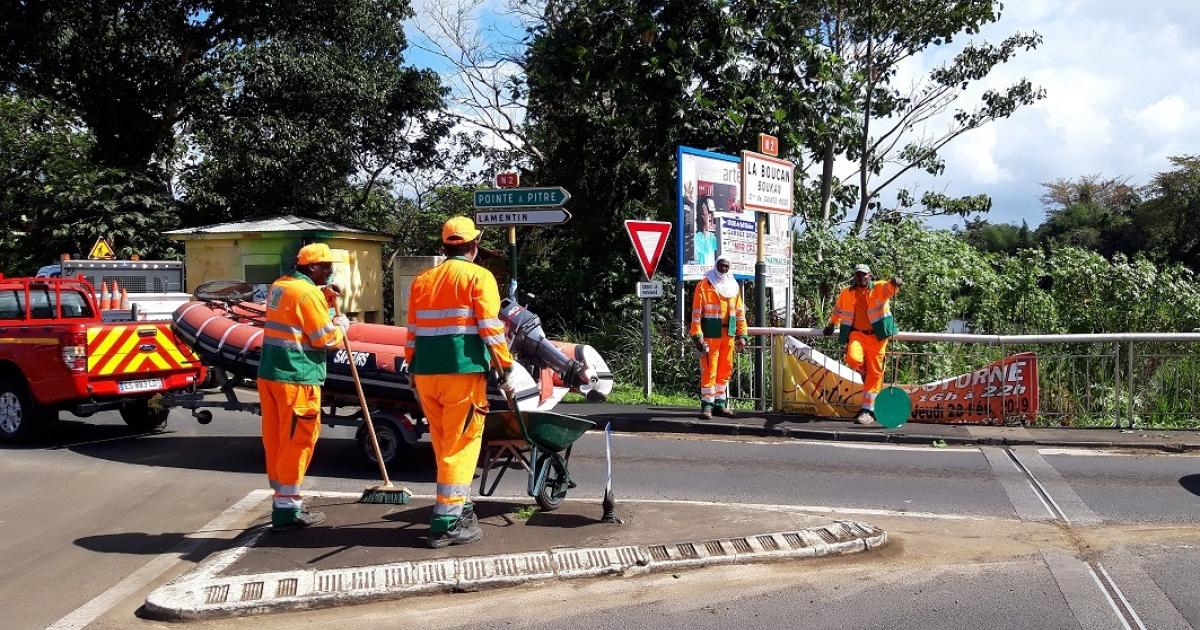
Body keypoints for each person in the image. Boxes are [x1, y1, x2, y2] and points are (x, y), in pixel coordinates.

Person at [407, 216, 514, 548]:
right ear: (474, 246)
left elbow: (411, 334)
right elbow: (491, 328)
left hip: (425, 375)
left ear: (443, 247)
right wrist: (505, 367)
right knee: (462, 445)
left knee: (443, 447)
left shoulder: (423, 281)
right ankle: (447, 523)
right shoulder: (479, 277)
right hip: (462, 374)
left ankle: (459, 506)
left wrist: (412, 371)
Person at [257, 243, 352, 530]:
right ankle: (288, 508)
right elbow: (324, 338)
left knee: (276, 439)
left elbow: (294, 314)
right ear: (311, 267)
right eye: (326, 267)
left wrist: (322, 297)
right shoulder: (308, 293)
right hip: (297, 376)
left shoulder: (281, 285)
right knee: (299, 440)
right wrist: (342, 325)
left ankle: (282, 499)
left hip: (271, 374)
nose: (330, 271)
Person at [823, 264, 903, 425]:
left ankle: (868, 410)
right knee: (852, 358)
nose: (861, 278)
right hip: (857, 334)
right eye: (858, 275)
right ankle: (865, 374)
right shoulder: (847, 292)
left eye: (864, 275)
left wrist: (896, 283)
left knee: (875, 372)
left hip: (877, 337)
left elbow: (890, 288)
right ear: (855, 276)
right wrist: (832, 324)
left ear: (870, 275)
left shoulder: (878, 287)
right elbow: (838, 310)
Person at [689, 256, 748, 419]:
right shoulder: (704, 285)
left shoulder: (733, 287)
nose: (724, 269)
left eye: (727, 266)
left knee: (725, 369)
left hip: (728, 334)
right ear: (716, 266)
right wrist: (697, 335)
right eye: (721, 266)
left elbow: (740, 313)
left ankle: (720, 404)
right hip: (710, 334)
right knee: (709, 369)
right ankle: (707, 405)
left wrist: (742, 335)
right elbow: (695, 314)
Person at [693, 197, 718, 265]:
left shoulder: (711, 236)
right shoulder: (697, 237)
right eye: (708, 213)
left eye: (711, 214)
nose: (710, 216)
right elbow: (706, 250)